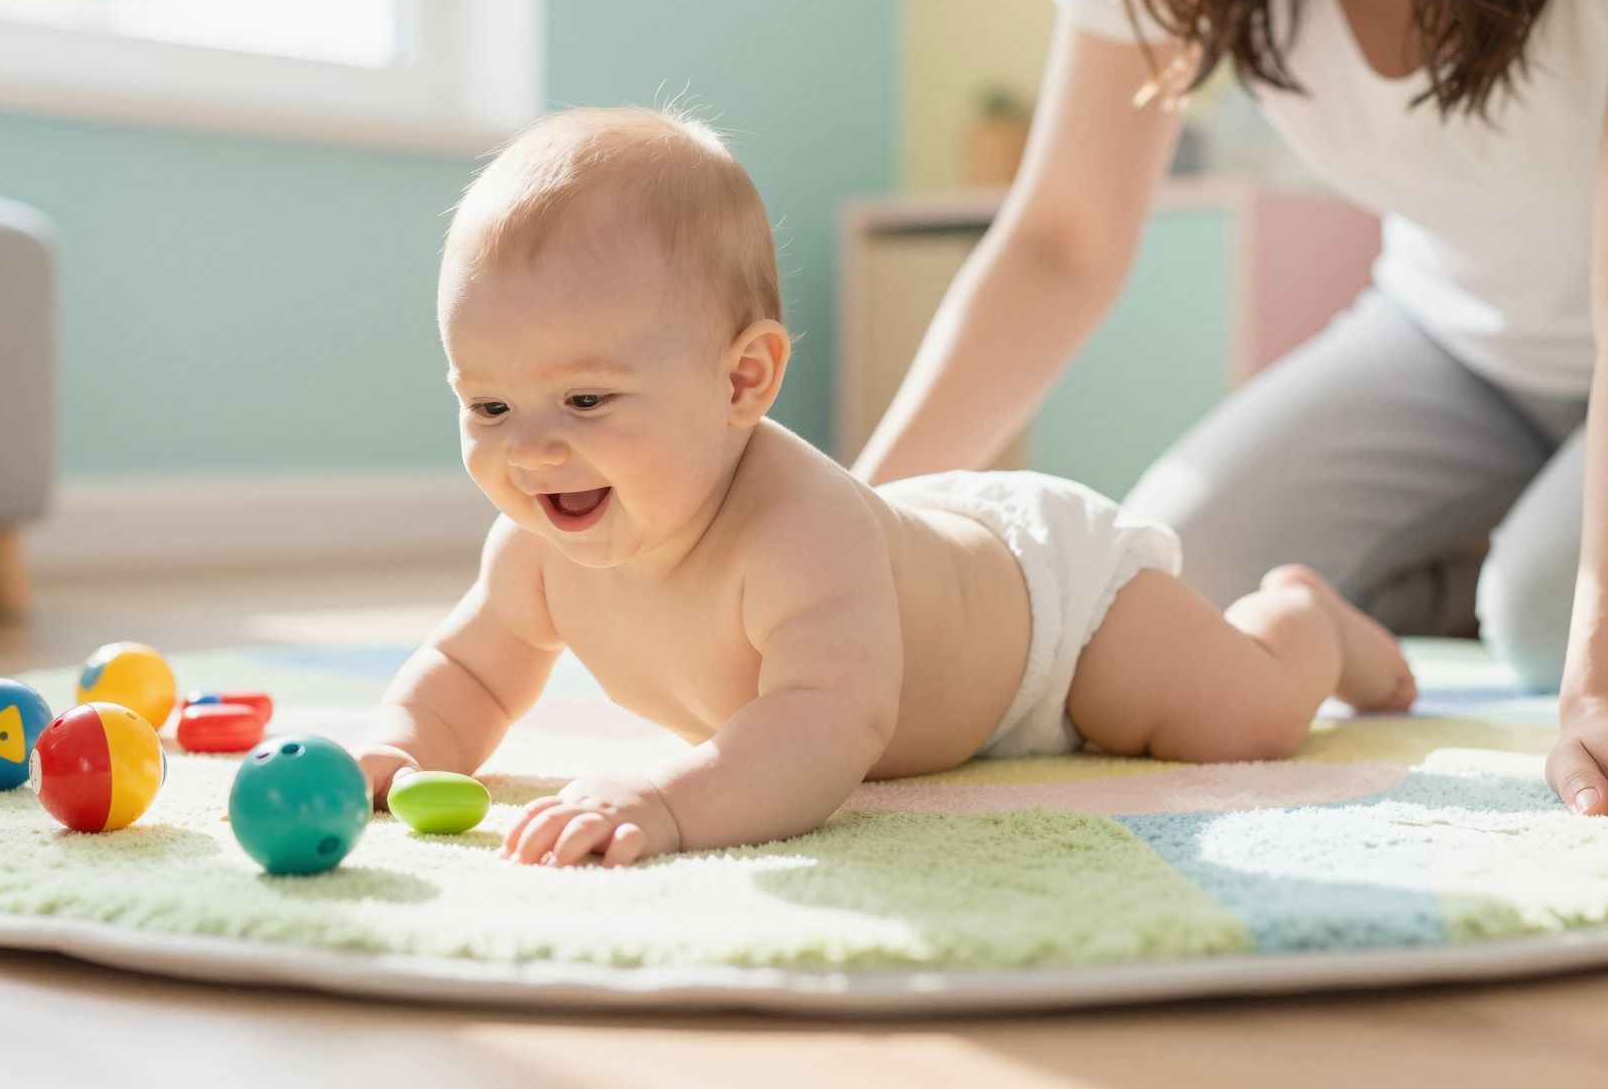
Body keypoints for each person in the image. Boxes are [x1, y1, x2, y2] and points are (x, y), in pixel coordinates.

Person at [854, 0, 1608, 833]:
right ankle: (1531, 539)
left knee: (1552, 622)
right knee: (1182, 584)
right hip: (1458, 341)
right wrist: (856, 528)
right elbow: (1061, 241)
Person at [352, 107, 1415, 868]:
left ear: (743, 380)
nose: (531, 451)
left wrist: (672, 803)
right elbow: (470, 672)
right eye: (488, 408)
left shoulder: (797, 529)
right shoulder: (533, 553)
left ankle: (1303, 623)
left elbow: (830, 726)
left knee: (1238, 718)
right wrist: (406, 741)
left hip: (1047, 620)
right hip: (938, 563)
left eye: (586, 402)